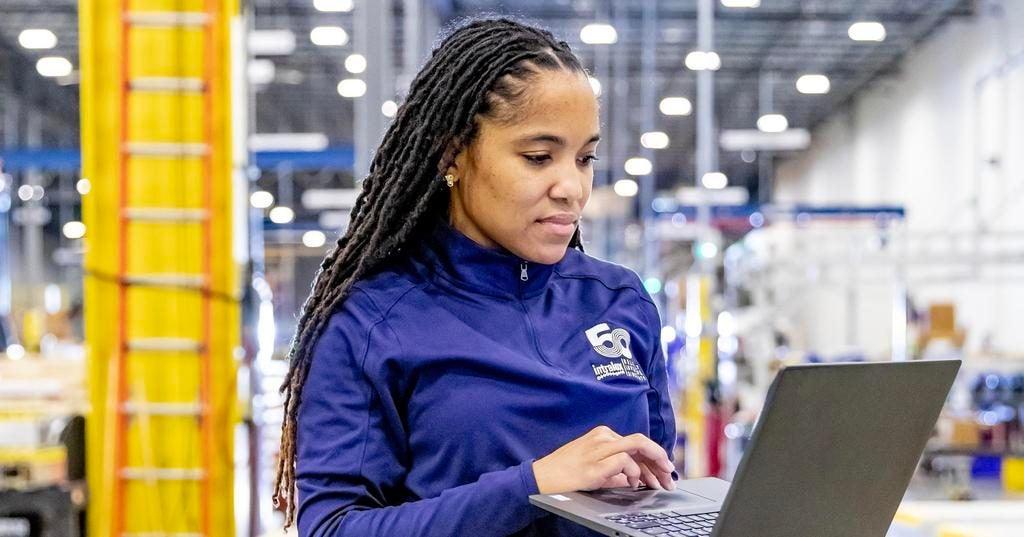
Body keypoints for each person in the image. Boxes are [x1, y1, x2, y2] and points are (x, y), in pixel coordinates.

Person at [273, 18, 677, 537]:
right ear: (452, 154)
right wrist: (531, 486)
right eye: (538, 157)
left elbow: (661, 491)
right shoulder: (372, 322)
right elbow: (333, 528)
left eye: (585, 158)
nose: (573, 188)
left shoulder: (621, 303)